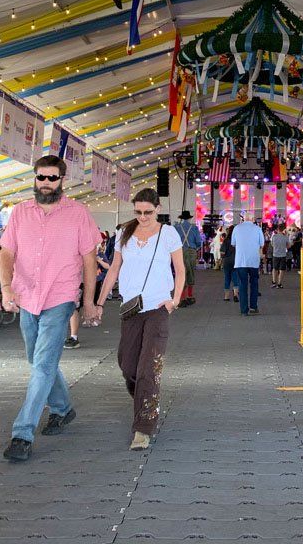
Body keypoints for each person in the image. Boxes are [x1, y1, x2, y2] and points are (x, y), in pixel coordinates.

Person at [0, 155, 100, 463]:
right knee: (38, 359)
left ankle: (22, 433)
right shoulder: (19, 213)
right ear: (35, 178)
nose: (45, 183)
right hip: (27, 296)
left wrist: (89, 303)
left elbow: (89, 262)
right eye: (41, 177)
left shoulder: (78, 214)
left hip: (60, 297)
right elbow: (6, 254)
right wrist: (6, 288)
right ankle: (62, 408)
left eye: (51, 178)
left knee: (42, 363)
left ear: (62, 180)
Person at [90, 189, 184, 450]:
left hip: (158, 308)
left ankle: (143, 427)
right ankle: (146, 398)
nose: (143, 217)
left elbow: (181, 269)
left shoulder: (168, 234)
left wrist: (174, 299)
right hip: (130, 309)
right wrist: (99, 302)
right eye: (138, 212)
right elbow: (114, 269)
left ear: (157, 209)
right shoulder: (124, 233)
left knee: (148, 370)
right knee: (128, 366)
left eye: (148, 212)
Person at [65, 244, 111, 349]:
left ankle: (90, 320)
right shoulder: (72, 252)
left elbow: (108, 267)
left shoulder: (97, 253)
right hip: (75, 282)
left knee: (84, 306)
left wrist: (98, 260)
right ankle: (73, 336)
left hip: (90, 282)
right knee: (73, 308)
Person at [231, 215, 264, 316]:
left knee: (242, 285)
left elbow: (233, 243)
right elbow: (262, 244)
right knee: (254, 283)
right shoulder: (258, 229)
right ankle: (253, 307)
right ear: (253, 219)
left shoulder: (236, 228)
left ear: (243, 219)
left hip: (241, 261)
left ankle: (244, 310)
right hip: (254, 261)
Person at [173, 211, 202, 307]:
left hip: (179, 252)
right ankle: (189, 296)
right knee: (190, 272)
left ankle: (182, 298)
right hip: (191, 252)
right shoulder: (194, 228)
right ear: (189, 218)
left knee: (180, 274)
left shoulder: (176, 228)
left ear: (181, 218)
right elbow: (198, 242)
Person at [221, 224, 239, 302]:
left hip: (227, 261)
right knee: (235, 278)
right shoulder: (238, 240)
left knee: (227, 278)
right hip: (236, 261)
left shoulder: (226, 240)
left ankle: (226, 296)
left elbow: (222, 252)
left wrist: (223, 257)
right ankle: (235, 294)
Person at [270, 224, 290, 289]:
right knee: (282, 270)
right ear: (284, 229)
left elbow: (272, 245)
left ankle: (273, 282)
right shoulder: (286, 237)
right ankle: (279, 284)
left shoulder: (274, 236)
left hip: (275, 254)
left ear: (277, 229)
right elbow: (288, 246)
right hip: (283, 255)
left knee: (274, 269)